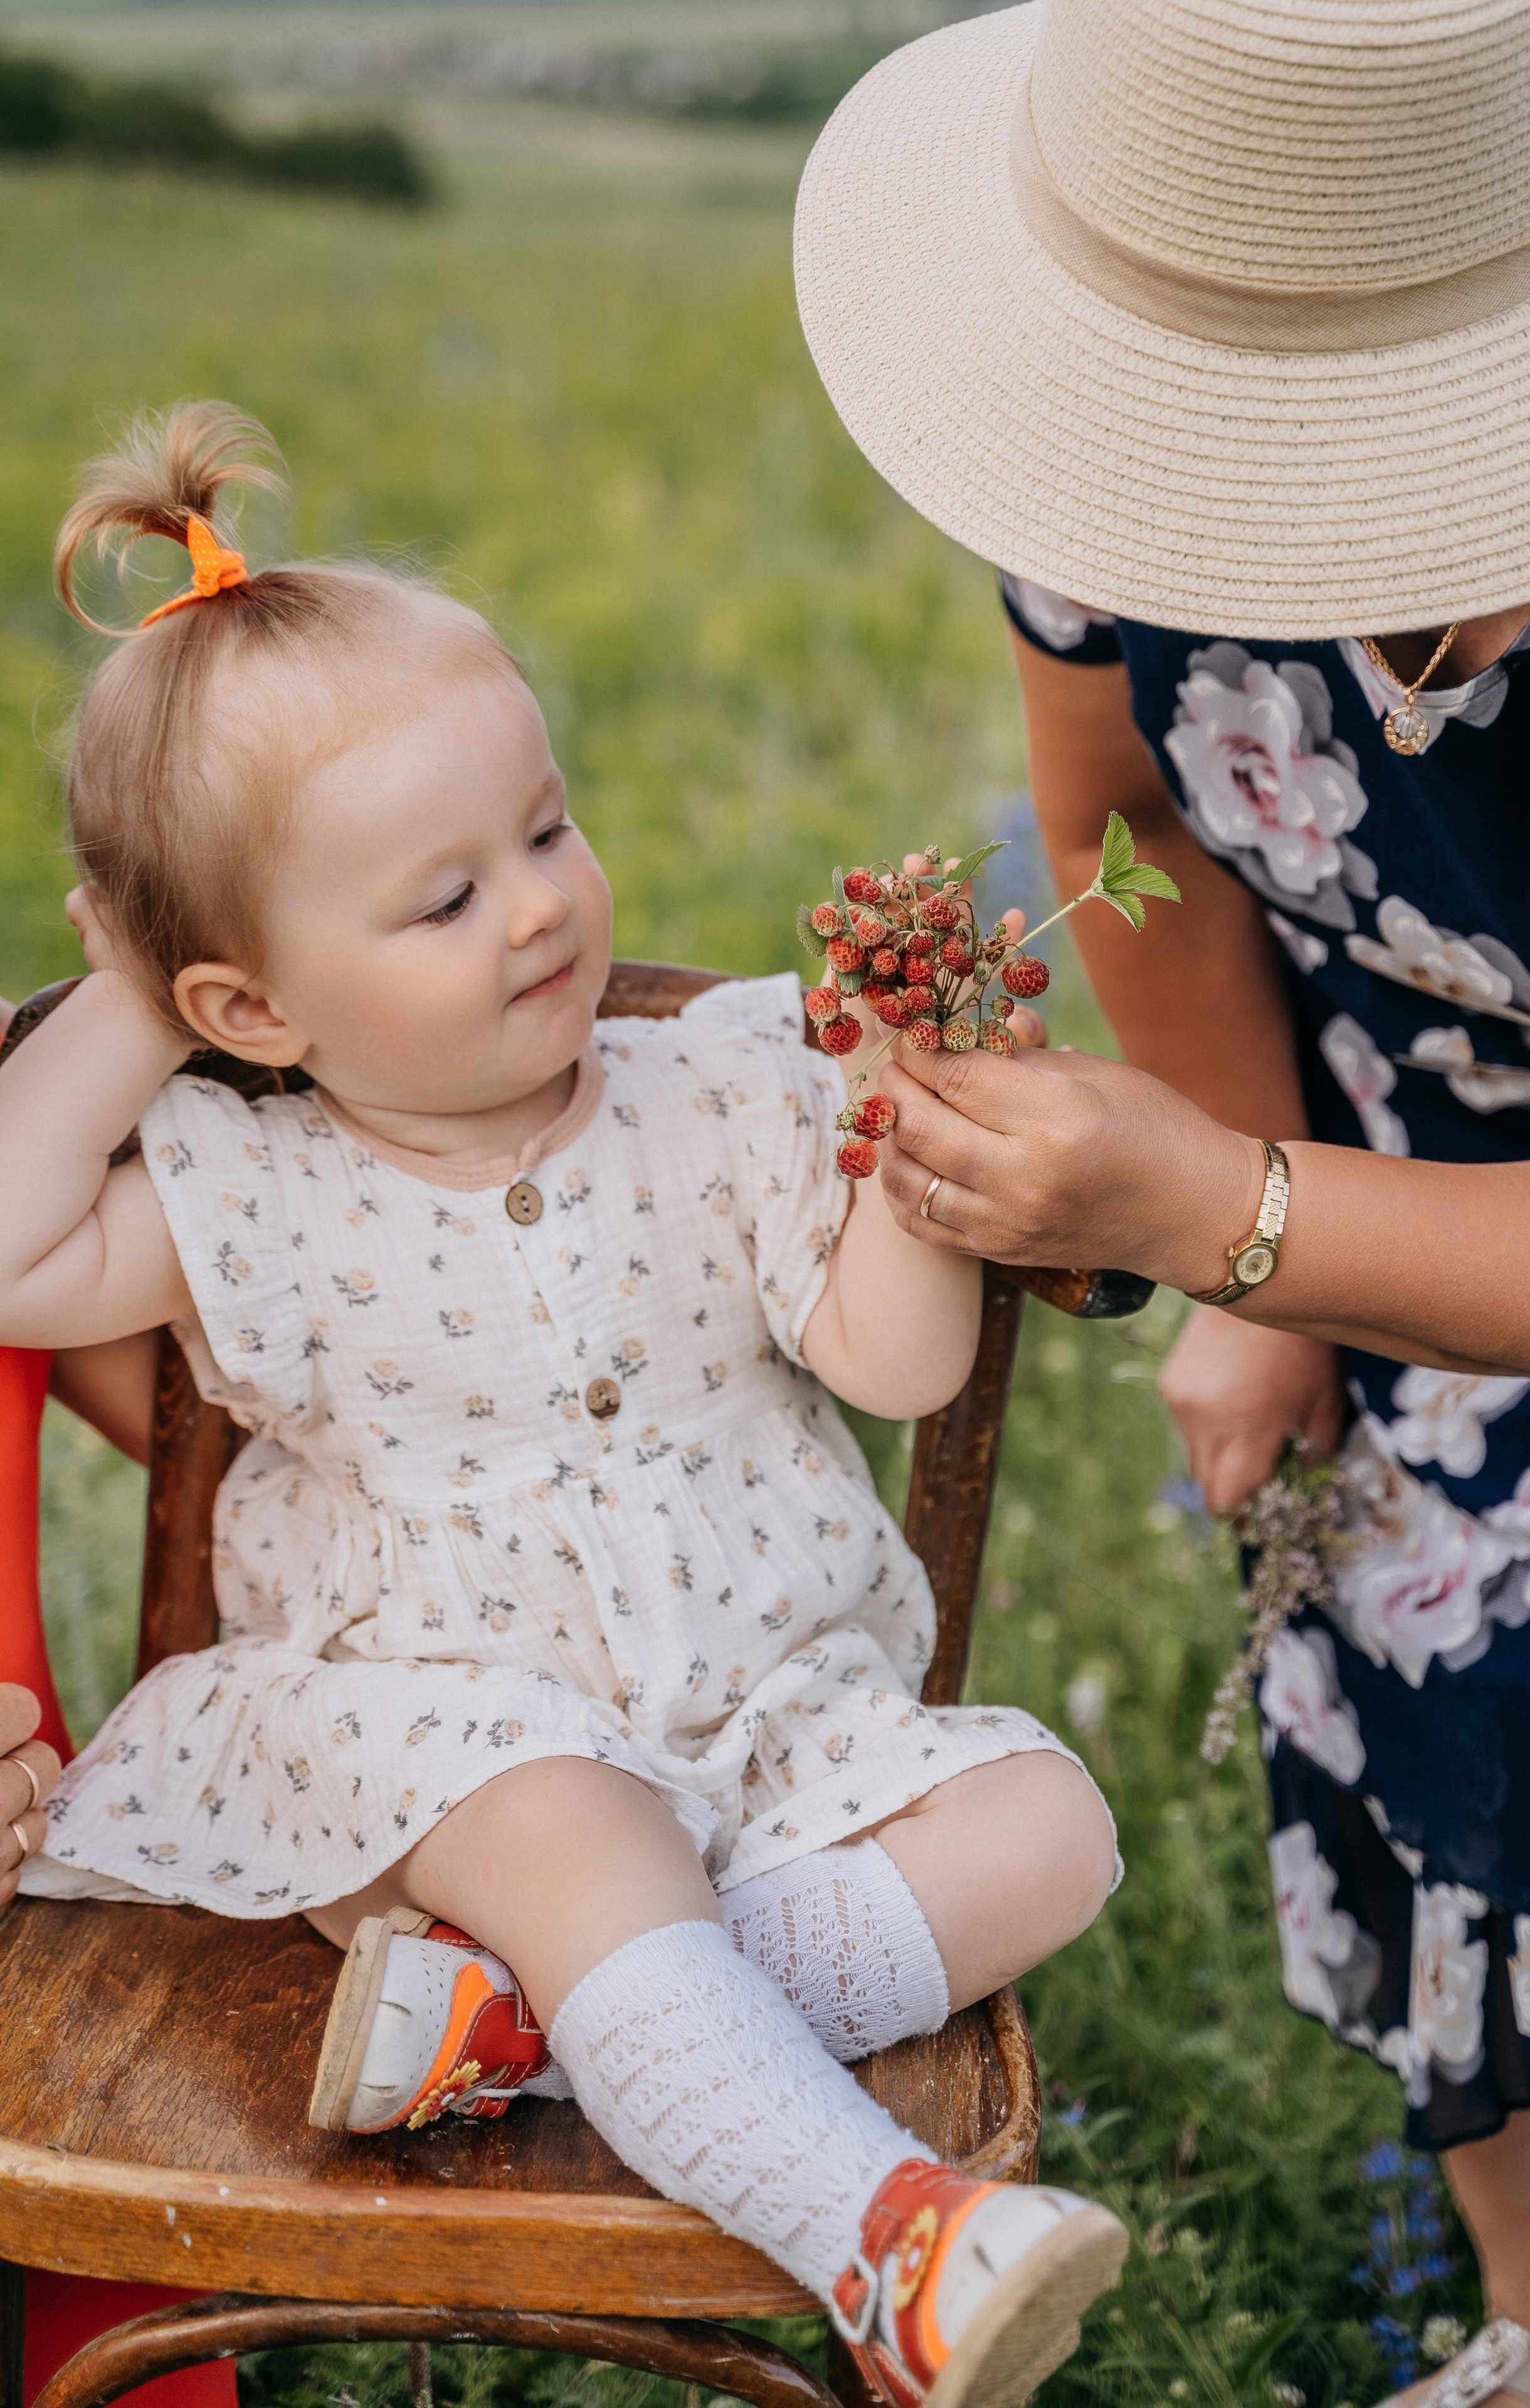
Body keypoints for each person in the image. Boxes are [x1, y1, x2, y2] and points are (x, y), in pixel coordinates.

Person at [0, 400, 1130, 2408]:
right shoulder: (250, 1184)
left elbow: (901, 1366)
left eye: (543, 828)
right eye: (440, 903)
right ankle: (887, 2237)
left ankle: (532, 2033)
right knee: (581, 1829)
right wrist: (124, 984)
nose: (534, 906)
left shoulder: (724, 1084)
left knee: (1053, 1829)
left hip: (764, 1716)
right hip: (444, 1748)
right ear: (251, 1010)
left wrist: (894, 1131)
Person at [793, 1, 1530, 2401]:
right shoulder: (1115, 493)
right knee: (1396, 1627)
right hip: (1381, 1146)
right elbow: (1123, 852)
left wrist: (1245, 1220)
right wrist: (1272, 1274)